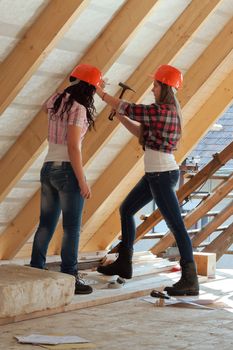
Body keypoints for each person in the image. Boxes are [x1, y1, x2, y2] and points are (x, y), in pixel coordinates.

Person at [95, 64, 199, 296]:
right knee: (127, 209)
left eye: (155, 85)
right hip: (156, 175)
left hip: (162, 176)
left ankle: (190, 279)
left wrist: (101, 94)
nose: (152, 89)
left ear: (165, 88)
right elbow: (139, 131)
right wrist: (121, 117)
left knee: (176, 226)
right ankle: (125, 262)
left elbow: (129, 107)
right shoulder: (162, 112)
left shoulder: (164, 111)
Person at [30, 63, 103, 294]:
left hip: (48, 168)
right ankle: (70, 275)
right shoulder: (79, 109)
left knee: (46, 224)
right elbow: (73, 146)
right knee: (72, 228)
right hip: (67, 171)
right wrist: (82, 181)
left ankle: (35, 272)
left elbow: (45, 108)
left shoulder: (55, 101)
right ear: (90, 89)